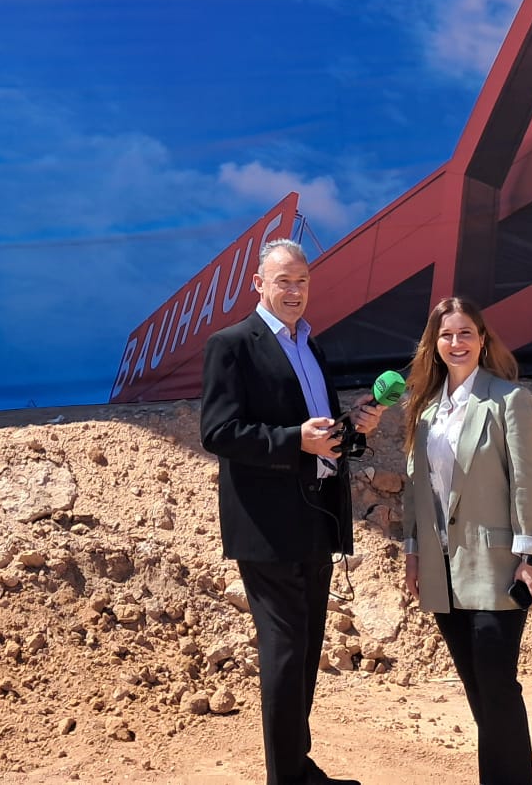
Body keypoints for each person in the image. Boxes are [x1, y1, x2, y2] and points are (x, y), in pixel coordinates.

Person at [200, 239, 381, 785]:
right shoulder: (232, 344)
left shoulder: (310, 344)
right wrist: (292, 441)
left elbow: (318, 432)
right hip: (265, 523)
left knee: (305, 650)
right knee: (283, 652)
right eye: (283, 281)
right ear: (258, 283)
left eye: (301, 280)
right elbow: (219, 431)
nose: (294, 291)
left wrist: (355, 431)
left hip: (315, 514)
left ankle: (296, 765)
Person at [401, 298, 532, 785]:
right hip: (442, 571)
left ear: (482, 339)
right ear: (434, 344)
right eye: (447, 335)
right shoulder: (425, 412)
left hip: (496, 567)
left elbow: (528, 482)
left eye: (466, 333)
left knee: (497, 686)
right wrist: (414, 554)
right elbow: (417, 489)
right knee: (476, 688)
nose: (456, 342)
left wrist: (531, 558)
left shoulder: (509, 400)